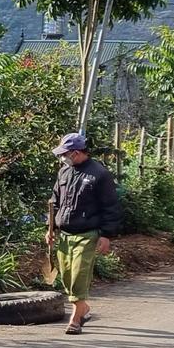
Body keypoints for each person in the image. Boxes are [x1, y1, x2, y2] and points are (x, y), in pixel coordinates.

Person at [46, 131, 124, 335]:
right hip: (65, 234)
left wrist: (106, 235)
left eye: (66, 154)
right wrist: (51, 228)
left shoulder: (99, 174)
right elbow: (54, 201)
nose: (63, 157)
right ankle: (84, 307)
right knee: (67, 276)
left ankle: (76, 318)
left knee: (79, 274)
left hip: (87, 233)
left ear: (78, 152)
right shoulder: (64, 172)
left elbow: (111, 206)